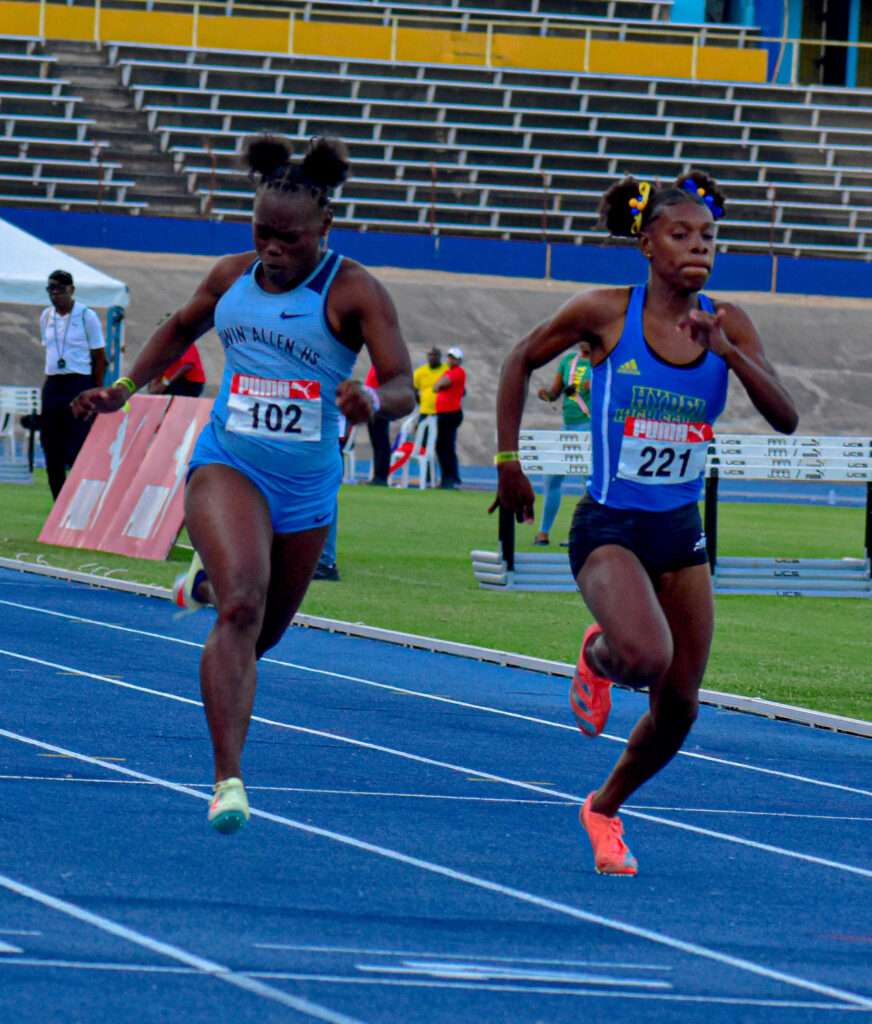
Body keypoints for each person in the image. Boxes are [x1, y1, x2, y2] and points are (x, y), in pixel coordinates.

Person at [73, 135, 415, 834]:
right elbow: (179, 327)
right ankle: (227, 780)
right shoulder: (230, 276)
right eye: (262, 232)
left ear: (324, 230)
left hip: (307, 488)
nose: (272, 249)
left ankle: (212, 584)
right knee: (240, 609)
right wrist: (125, 388)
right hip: (229, 462)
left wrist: (373, 401)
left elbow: (405, 382)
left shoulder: (354, 290)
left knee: (258, 635)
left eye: (289, 238)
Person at [492, 170, 797, 875]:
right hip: (609, 529)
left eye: (709, 238)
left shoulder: (731, 322)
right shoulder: (604, 312)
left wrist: (729, 353)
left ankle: (603, 808)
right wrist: (509, 459)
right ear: (648, 245)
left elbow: (786, 417)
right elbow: (518, 358)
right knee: (643, 658)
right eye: (681, 235)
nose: (699, 249)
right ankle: (599, 654)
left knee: (681, 707)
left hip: (679, 535)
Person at [38, 270, 107, 499]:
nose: (55, 294)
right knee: (50, 445)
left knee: (76, 447)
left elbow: (99, 358)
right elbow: (49, 351)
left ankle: (78, 501)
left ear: (71, 290)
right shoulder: (46, 316)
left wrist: (96, 392)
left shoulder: (86, 316)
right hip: (53, 384)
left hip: (78, 383)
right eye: (51, 289)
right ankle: (58, 502)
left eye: (59, 289)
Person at [533, 341, 592, 546]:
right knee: (551, 478)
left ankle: (581, 535)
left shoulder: (603, 362)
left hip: (590, 426)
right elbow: (554, 392)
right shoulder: (568, 361)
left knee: (590, 484)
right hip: (568, 428)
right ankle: (543, 533)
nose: (584, 341)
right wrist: (546, 395)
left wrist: (590, 386)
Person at [433, 345, 466, 489]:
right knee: (444, 446)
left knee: (445, 446)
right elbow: (437, 386)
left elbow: (439, 385)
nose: (450, 360)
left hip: (450, 413)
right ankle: (450, 477)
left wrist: (439, 385)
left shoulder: (458, 372)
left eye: (453, 358)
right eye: (450, 357)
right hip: (445, 413)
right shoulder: (449, 371)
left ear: (459, 361)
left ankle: (449, 478)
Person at [364, 363, 392, 485]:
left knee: (381, 444)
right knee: (377, 444)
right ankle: (378, 476)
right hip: (373, 409)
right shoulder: (375, 366)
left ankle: (381, 477)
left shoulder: (384, 367)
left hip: (380, 409)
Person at [413, 346, 448, 421]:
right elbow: (414, 391)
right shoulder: (419, 372)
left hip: (444, 413)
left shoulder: (447, 370)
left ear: (440, 356)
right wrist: (422, 402)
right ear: (427, 356)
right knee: (423, 432)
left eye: (435, 355)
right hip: (425, 412)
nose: (432, 357)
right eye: (430, 355)